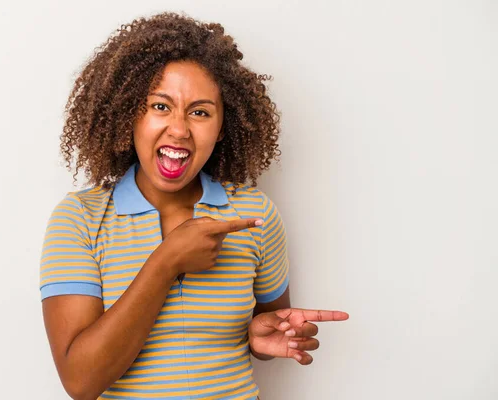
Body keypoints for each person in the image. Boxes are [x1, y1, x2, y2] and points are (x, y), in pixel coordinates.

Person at [39, 12, 349, 400]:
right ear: (128, 113)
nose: (180, 128)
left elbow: (266, 327)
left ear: (221, 128)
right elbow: (81, 381)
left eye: (200, 112)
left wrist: (261, 338)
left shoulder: (255, 214)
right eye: (160, 106)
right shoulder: (80, 219)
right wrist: (166, 261)